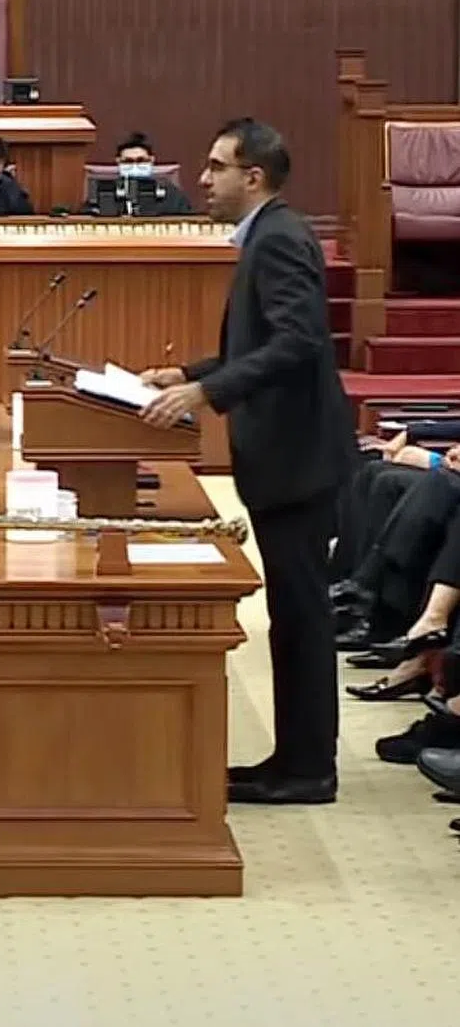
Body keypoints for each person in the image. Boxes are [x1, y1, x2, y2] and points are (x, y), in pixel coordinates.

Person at [140, 117, 355, 805]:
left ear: (251, 176)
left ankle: (308, 770)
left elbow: (298, 342)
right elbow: (260, 343)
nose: (202, 179)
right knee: (293, 615)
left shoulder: (280, 239)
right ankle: (290, 758)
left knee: (301, 615)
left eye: (215, 167)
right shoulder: (269, 235)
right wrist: (186, 372)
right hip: (286, 457)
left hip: (296, 459)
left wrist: (208, 392)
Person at [100, 131, 195, 216]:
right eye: (128, 161)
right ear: (118, 162)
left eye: (141, 161)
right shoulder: (104, 193)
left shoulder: (172, 195)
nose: (135, 165)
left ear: (152, 160)